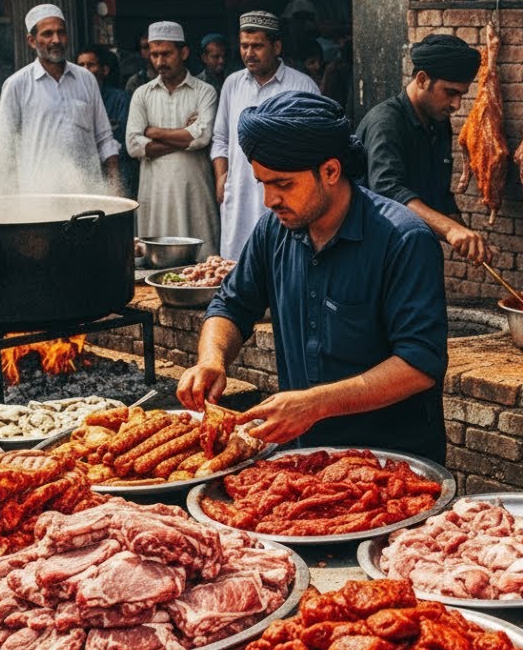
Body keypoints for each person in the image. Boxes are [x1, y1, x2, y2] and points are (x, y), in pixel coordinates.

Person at [178, 90, 448, 462]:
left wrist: (316, 405)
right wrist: (212, 359)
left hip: (394, 463)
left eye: (283, 184)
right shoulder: (272, 231)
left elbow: (419, 364)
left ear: (331, 171)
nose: (269, 200)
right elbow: (231, 305)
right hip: (303, 456)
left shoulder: (403, 240)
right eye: (263, 183)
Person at [356, 34, 490, 263]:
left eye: (461, 94)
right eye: (450, 92)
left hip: (417, 251)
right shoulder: (386, 122)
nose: (457, 105)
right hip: (375, 255)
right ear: (422, 79)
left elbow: (440, 197)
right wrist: (449, 229)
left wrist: (469, 239)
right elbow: (388, 192)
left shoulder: (439, 123)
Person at [211, 10, 319, 260]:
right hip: (238, 193)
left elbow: (316, 146)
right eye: (244, 46)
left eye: (257, 46)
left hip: (286, 196)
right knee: (237, 266)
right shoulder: (232, 84)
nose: (249, 53)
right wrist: (221, 176)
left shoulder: (302, 86)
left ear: (276, 46)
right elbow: (220, 139)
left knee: (282, 262)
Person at [0, 3, 120, 194]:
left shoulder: (86, 79)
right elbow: (0, 143)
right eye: (47, 34)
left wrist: (115, 188)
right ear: (32, 41)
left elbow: (105, 138)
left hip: (87, 193)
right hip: (40, 199)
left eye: (61, 32)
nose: (56, 40)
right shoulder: (17, 84)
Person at [126, 21, 219, 252]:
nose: (159, 62)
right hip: (155, 192)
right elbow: (133, 145)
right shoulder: (142, 94)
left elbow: (203, 136)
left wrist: (153, 132)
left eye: (166, 54)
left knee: (202, 262)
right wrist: (184, 137)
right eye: (154, 54)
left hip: (194, 191)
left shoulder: (205, 91)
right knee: (156, 258)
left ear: (184, 53)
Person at [78, 44, 135, 197]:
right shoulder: (73, 101)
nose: (85, 70)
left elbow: (126, 141)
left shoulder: (120, 99)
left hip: (117, 174)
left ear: (104, 70)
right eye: (80, 65)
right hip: (84, 177)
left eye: (91, 64)